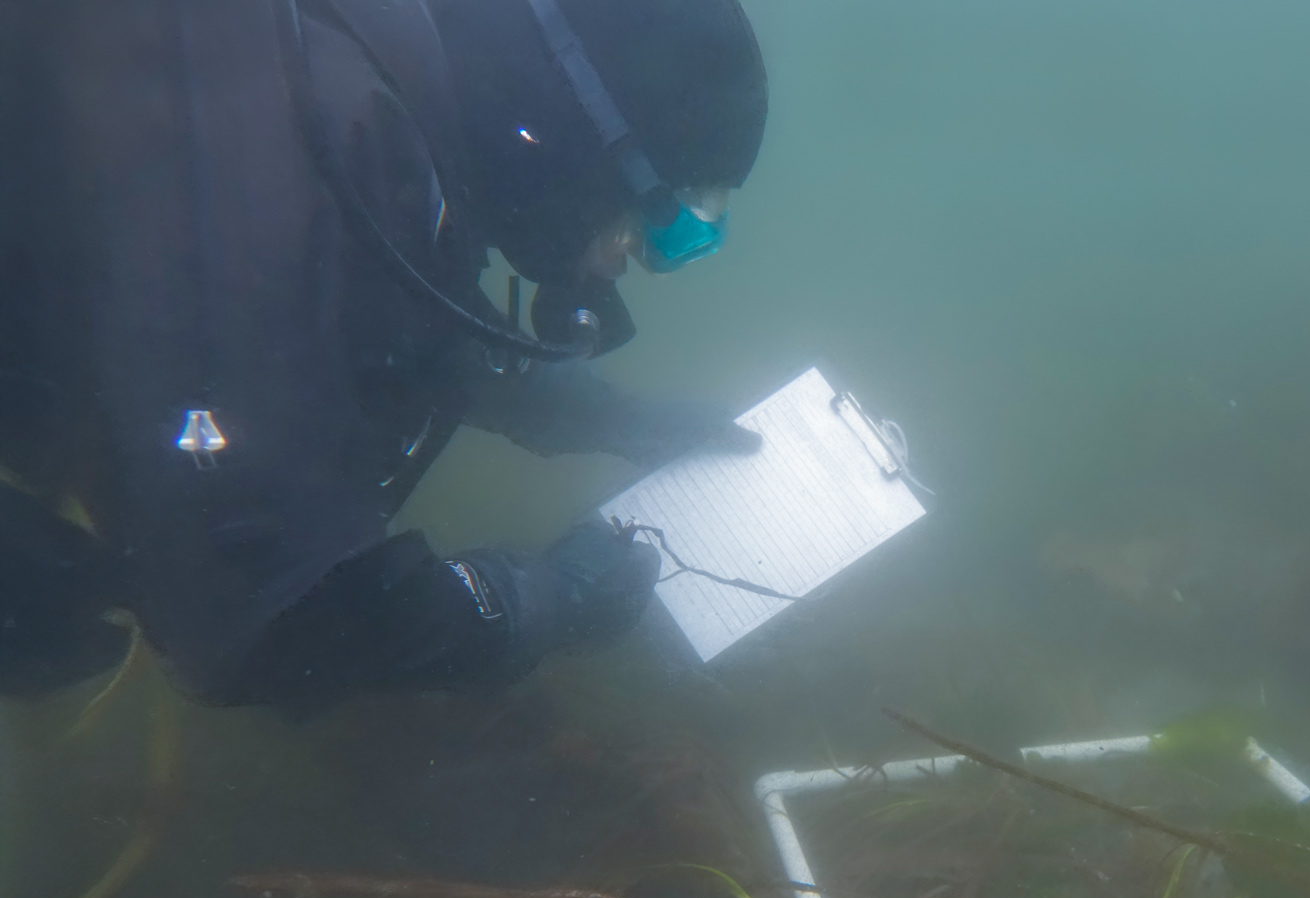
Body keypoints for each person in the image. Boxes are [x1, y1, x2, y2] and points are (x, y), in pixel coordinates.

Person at [0, 0, 769, 709]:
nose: (633, 262)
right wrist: (546, 599)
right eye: (667, 231)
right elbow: (263, 617)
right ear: (587, 132)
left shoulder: (372, 76)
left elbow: (396, 315)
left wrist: (614, 419)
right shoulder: (275, 167)